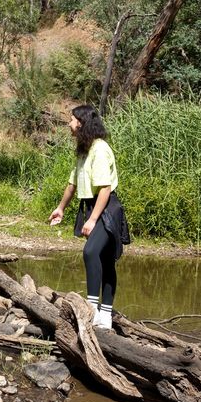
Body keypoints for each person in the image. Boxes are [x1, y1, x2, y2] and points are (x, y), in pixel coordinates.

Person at [48, 105, 130, 329]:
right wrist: (61, 208)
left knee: (91, 252)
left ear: (82, 123)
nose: (69, 123)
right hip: (92, 206)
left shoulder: (100, 149)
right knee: (103, 259)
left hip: (106, 208)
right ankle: (105, 316)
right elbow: (72, 184)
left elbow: (104, 188)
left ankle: (95, 311)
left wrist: (93, 219)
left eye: (72, 119)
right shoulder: (84, 149)